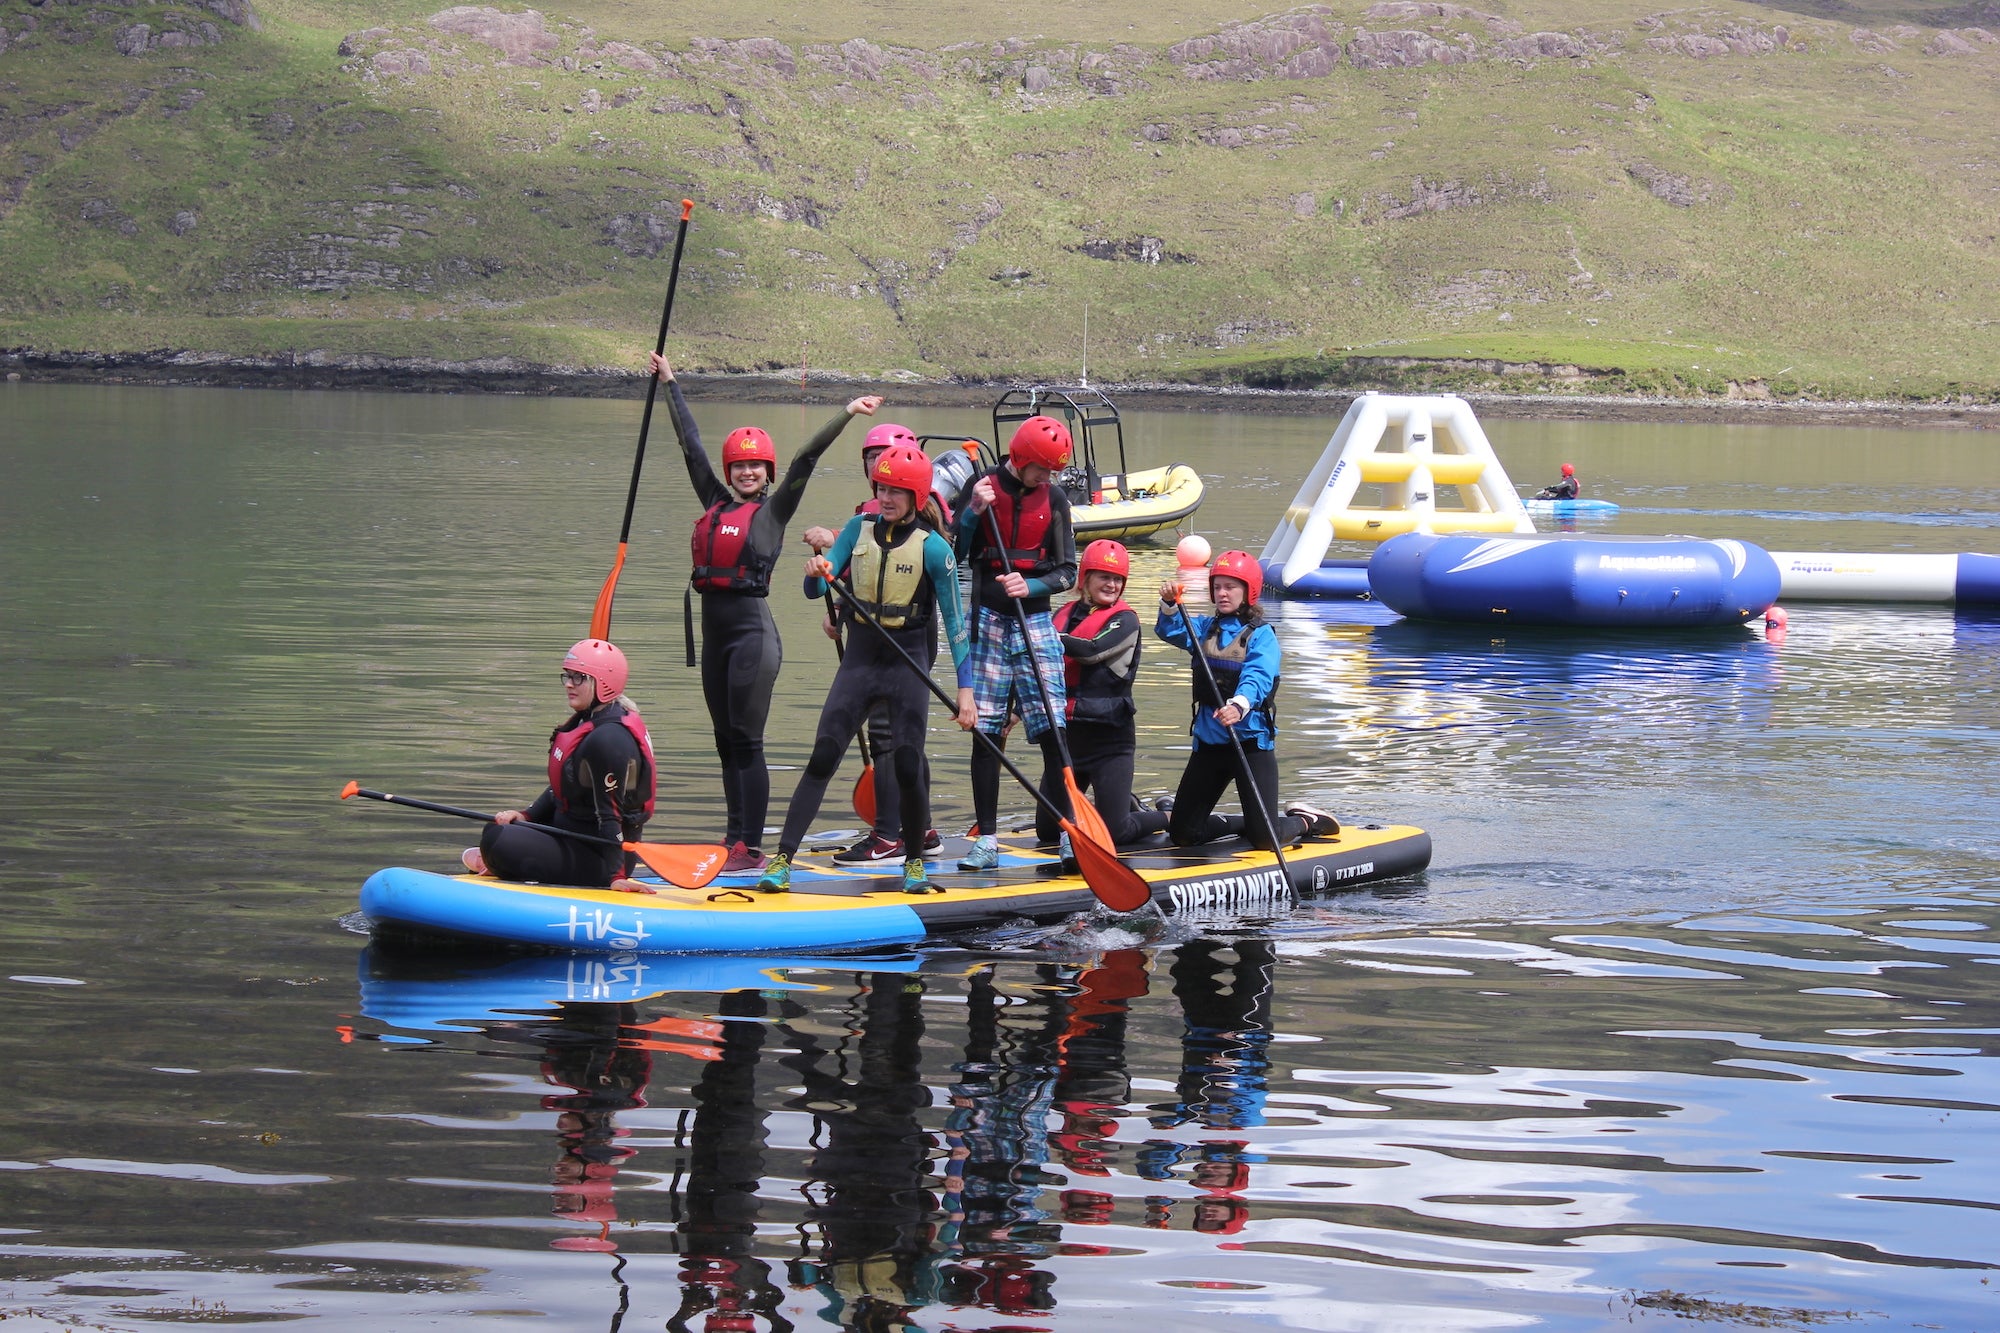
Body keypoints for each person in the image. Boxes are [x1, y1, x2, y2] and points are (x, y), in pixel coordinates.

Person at [651, 350, 882, 873]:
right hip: (716, 638)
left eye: (756, 464)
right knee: (723, 741)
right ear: (731, 471)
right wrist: (670, 383)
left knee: (747, 741)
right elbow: (691, 449)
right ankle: (734, 839)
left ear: (766, 471)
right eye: (740, 464)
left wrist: (846, 413)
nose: (748, 470)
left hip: (753, 639)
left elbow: (805, 459)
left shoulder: (774, 512)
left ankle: (750, 847)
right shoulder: (714, 502)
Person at [758, 444, 977, 895]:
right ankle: (782, 859)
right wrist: (817, 570)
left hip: (908, 661)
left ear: (916, 496)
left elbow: (956, 623)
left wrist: (966, 691)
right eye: (881, 488)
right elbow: (814, 585)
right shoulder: (856, 530)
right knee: (823, 755)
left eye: (897, 491)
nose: (887, 497)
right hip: (861, 658)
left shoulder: (934, 549)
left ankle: (913, 862)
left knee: (909, 763)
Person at [801, 421, 945, 866]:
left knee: (888, 737)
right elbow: (864, 577)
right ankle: (921, 830)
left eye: (879, 455)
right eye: (867, 456)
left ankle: (887, 837)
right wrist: (842, 614)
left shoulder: (922, 509)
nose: (872, 464)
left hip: (910, 638)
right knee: (902, 740)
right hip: (870, 634)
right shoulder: (869, 510)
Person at [955, 415, 1079, 871]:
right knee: (986, 734)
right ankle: (986, 841)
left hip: (1036, 621)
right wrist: (973, 512)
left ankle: (1069, 832)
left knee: (1053, 728)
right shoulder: (981, 484)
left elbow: (1067, 571)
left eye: (1053, 471)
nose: (1048, 477)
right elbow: (954, 552)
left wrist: (1033, 586)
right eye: (1042, 468)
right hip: (987, 620)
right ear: (1022, 457)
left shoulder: (1057, 498)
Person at [1154, 551, 1338, 851]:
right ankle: (1246, 822)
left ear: (1248, 591)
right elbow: (1170, 631)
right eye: (1218, 587)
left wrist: (1238, 705)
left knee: (1265, 839)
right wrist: (1170, 604)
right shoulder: (1203, 629)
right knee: (1183, 835)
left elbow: (1258, 677)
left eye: (1231, 587)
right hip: (1210, 742)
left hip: (1250, 744)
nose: (1222, 593)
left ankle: (1306, 820)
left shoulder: (1263, 636)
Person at [462, 639, 657, 891]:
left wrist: (616, 875)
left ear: (603, 683)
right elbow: (564, 786)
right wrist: (526, 815)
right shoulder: (588, 719)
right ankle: (500, 856)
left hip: (598, 855)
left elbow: (612, 814)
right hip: (568, 833)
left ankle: (499, 859)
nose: (568, 684)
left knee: (499, 841)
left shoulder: (609, 739)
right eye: (567, 676)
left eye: (579, 678)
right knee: (499, 826)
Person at [1043, 539, 1170, 849]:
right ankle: (1125, 801)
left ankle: (1167, 815)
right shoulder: (1063, 614)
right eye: (1104, 577)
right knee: (1048, 832)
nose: (1112, 585)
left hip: (1110, 741)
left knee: (1115, 832)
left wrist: (1043, 634)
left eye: (1117, 579)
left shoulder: (1125, 620)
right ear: (1085, 577)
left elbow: (1091, 651)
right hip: (1067, 740)